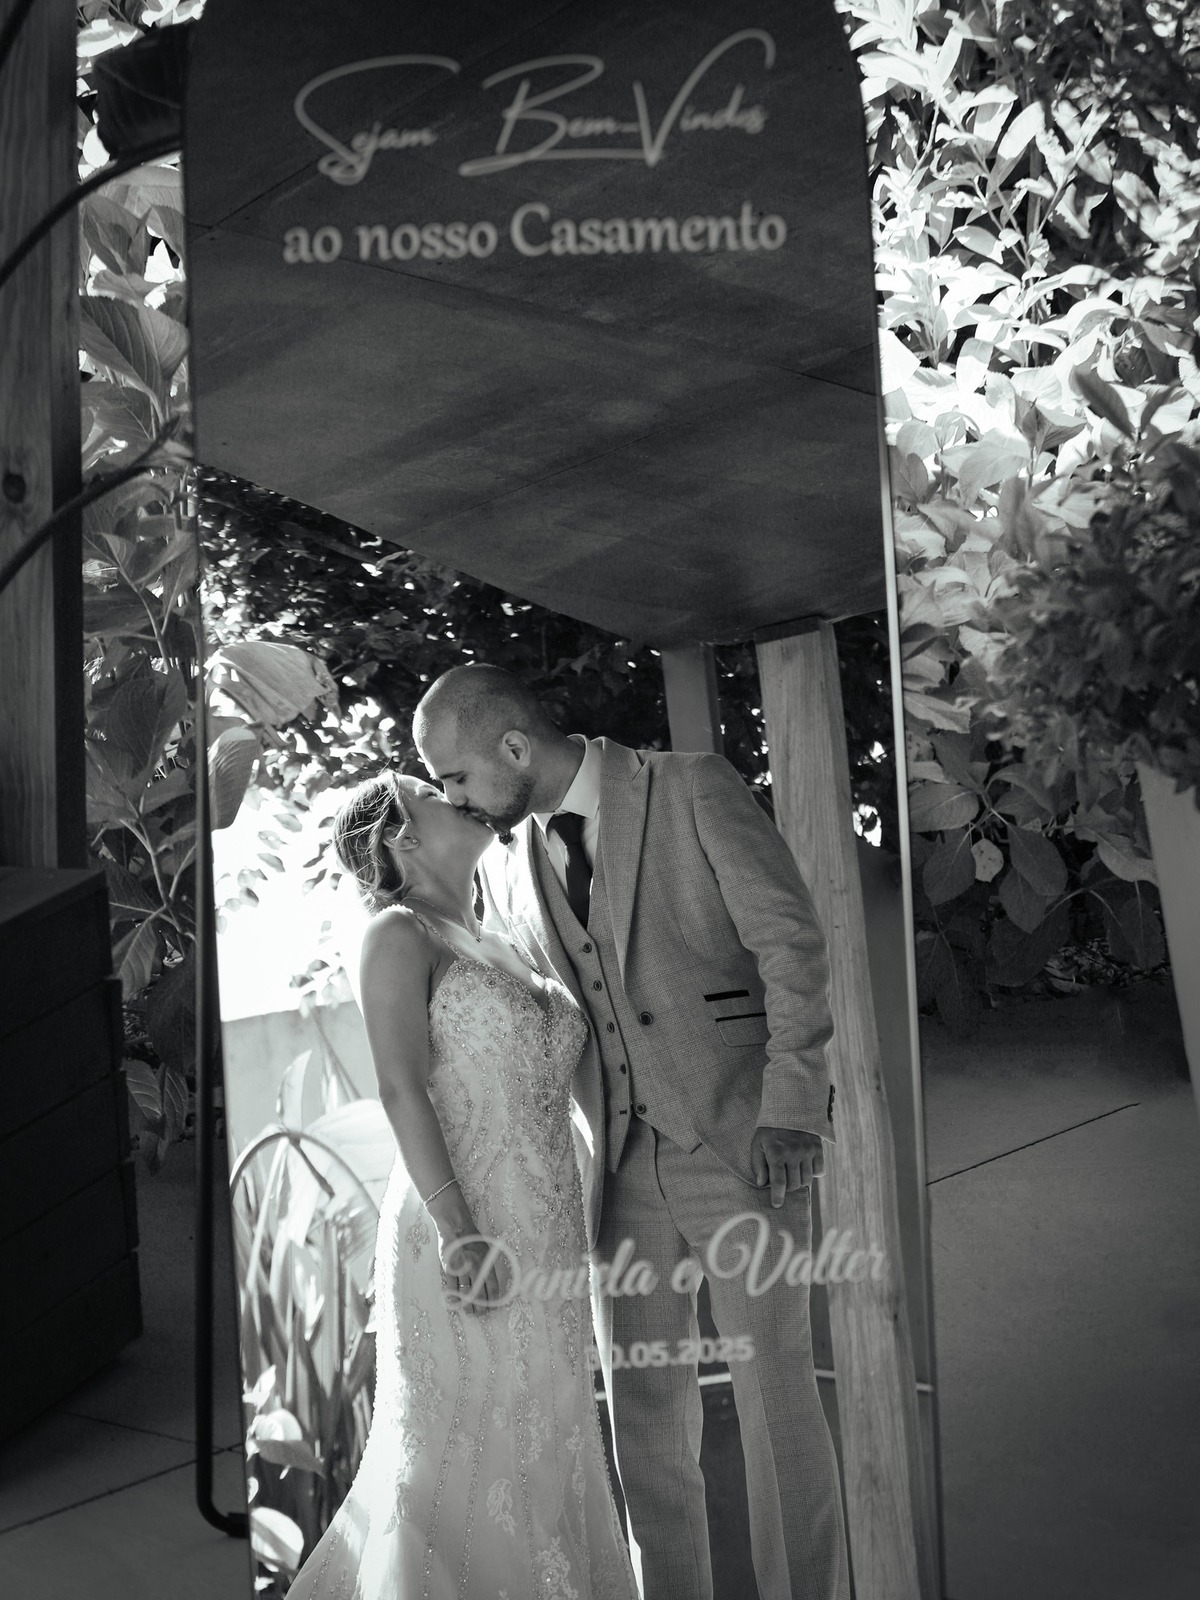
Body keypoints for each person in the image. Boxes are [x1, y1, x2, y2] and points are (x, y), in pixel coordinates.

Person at [414, 664, 851, 1600]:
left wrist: (790, 1107)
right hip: (616, 1166)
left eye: (456, 776)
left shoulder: (690, 786)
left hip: (742, 1142)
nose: (451, 799)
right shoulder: (506, 865)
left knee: (776, 1397)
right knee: (644, 1426)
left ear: (514, 748)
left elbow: (791, 946)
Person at [286, 770, 639, 1600]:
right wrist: (460, 1232)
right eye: (435, 791)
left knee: (549, 1443)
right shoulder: (397, 935)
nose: (462, 794)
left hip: (550, 1230)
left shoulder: (509, 938)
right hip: (462, 1227)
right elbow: (400, 1086)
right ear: (402, 836)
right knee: (464, 1456)